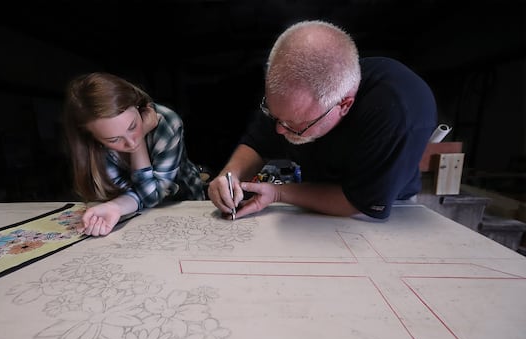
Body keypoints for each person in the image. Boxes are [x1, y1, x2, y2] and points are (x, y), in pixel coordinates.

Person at [208, 20, 437, 221]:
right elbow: (257, 144)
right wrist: (229, 177)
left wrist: (278, 193)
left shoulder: (398, 112)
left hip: (380, 209)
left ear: (344, 105)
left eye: (294, 124)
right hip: (314, 194)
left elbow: (359, 202)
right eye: (275, 116)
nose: (278, 129)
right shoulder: (291, 97)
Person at [63, 72, 205, 236]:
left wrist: (140, 144)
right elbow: (133, 195)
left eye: (132, 126)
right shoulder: (93, 146)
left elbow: (152, 196)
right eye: (114, 139)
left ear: (138, 106)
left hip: (184, 201)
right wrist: (114, 207)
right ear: (92, 137)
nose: (131, 142)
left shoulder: (167, 121)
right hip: (134, 211)